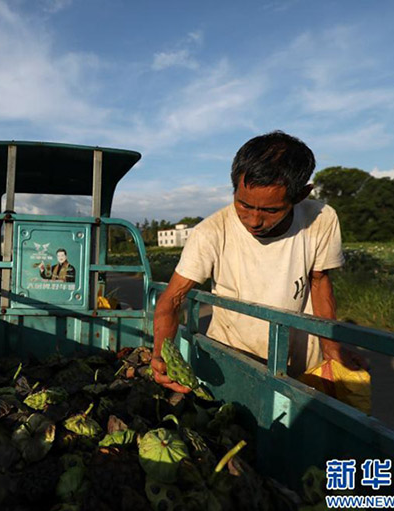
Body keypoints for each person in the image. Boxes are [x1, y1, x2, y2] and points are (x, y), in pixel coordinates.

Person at [152, 131, 368, 394]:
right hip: (233, 357)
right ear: (234, 188)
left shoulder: (320, 219)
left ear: (301, 195)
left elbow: (320, 281)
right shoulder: (210, 232)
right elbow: (172, 300)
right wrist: (160, 356)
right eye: (243, 205)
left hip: (300, 358)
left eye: (270, 210)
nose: (254, 220)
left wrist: (331, 346)